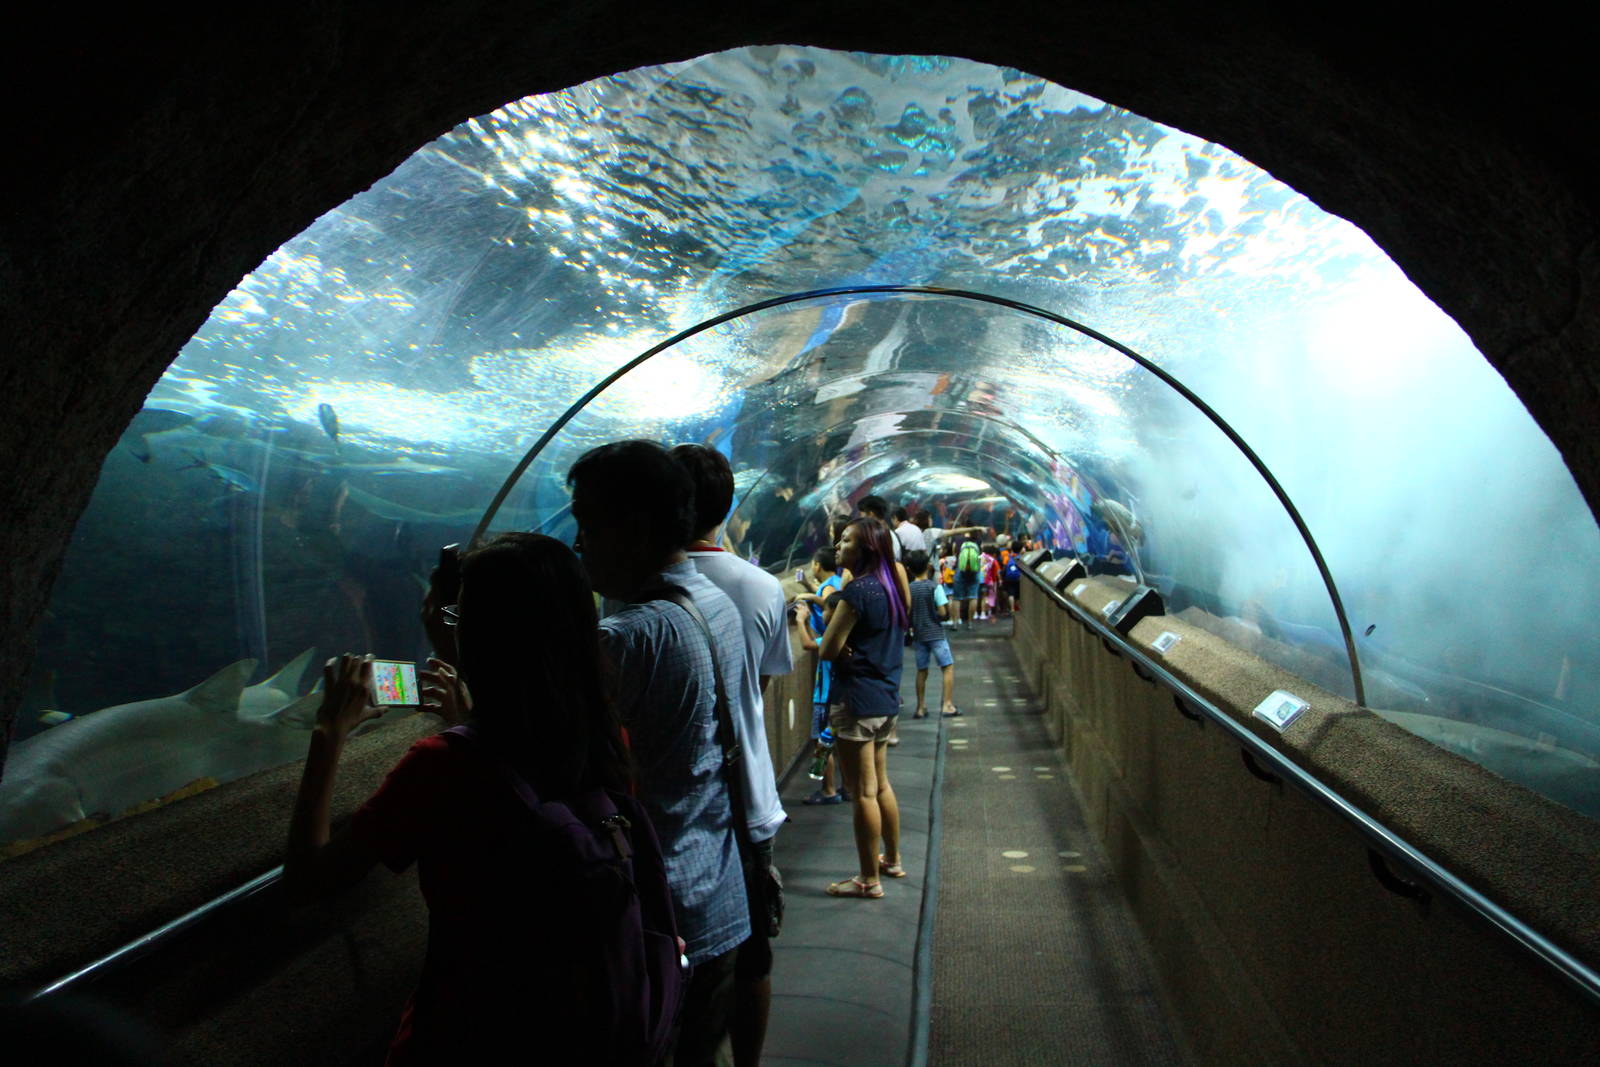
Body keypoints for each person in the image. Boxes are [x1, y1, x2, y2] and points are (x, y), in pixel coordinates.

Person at [282, 533, 657, 1065]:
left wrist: (328, 732)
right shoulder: (605, 737)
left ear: (477, 633)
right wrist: (464, 710)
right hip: (574, 1024)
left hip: (467, 1028)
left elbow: (309, 880)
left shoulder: (443, 765)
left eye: (461, 617)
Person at [569, 440, 751, 1067]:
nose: (579, 544)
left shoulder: (629, 637)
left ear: (635, 529)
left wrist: (454, 631)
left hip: (657, 917)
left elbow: (538, 750)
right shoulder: (717, 605)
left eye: (588, 525)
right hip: (719, 893)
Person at [670, 444, 790, 1067]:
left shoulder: (641, 595)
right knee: (752, 954)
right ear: (726, 506)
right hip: (750, 797)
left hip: (675, 800)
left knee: (675, 953)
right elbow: (757, 688)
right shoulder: (762, 586)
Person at [818, 517, 907, 899]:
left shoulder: (857, 592)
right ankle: (893, 860)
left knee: (863, 793)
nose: (838, 547)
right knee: (881, 784)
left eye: (846, 541)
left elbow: (827, 648)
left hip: (856, 700)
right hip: (886, 698)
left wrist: (842, 647)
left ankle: (868, 880)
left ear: (866, 549)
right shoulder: (890, 587)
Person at [795, 546, 846, 804]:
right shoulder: (846, 637)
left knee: (823, 742)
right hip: (840, 694)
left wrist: (802, 620)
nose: (822, 612)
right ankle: (847, 787)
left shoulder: (829, 638)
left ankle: (828, 789)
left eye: (826, 610)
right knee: (840, 741)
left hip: (825, 695)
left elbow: (807, 644)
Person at [906, 551, 958, 718]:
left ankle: (920, 707)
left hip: (919, 634)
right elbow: (943, 612)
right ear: (928, 567)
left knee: (922, 670)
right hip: (936, 633)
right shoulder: (935, 587)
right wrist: (936, 615)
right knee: (947, 667)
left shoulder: (909, 589)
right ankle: (947, 705)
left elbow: (907, 612)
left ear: (909, 569)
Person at [953, 536, 983, 627]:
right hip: (974, 571)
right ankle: (970, 622)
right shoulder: (978, 540)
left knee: (957, 598)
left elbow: (954, 553)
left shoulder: (959, 540)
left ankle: (955, 622)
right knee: (973, 597)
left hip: (961, 570)